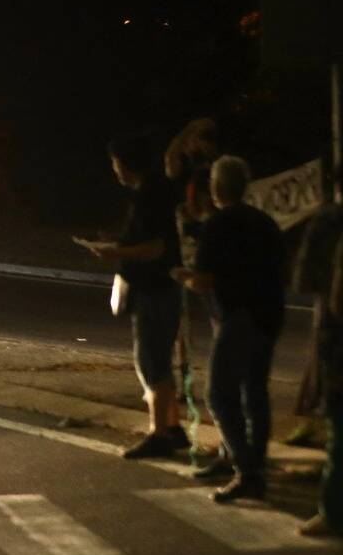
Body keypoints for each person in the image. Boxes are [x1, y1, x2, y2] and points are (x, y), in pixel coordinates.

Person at [176, 156, 287, 503]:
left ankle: (247, 471)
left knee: (220, 394)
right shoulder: (266, 222)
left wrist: (183, 277)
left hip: (237, 317)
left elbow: (205, 279)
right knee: (254, 392)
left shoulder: (218, 225)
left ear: (216, 188)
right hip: (269, 313)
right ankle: (248, 460)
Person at [81, 132, 187, 460]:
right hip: (158, 289)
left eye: (115, 163)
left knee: (151, 360)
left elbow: (156, 247)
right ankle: (173, 427)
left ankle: (160, 435)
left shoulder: (149, 196)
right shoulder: (153, 192)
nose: (114, 170)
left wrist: (115, 252)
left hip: (154, 290)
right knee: (158, 358)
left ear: (127, 164)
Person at [163, 120, 225, 476]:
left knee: (227, 378)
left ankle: (237, 452)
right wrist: (183, 136)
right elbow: (170, 165)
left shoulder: (219, 175)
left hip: (217, 282)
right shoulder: (187, 173)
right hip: (199, 275)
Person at [300, 192, 343, 537]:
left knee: (339, 428)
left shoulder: (329, 222)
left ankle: (333, 511)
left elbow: (309, 281)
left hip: (337, 342)